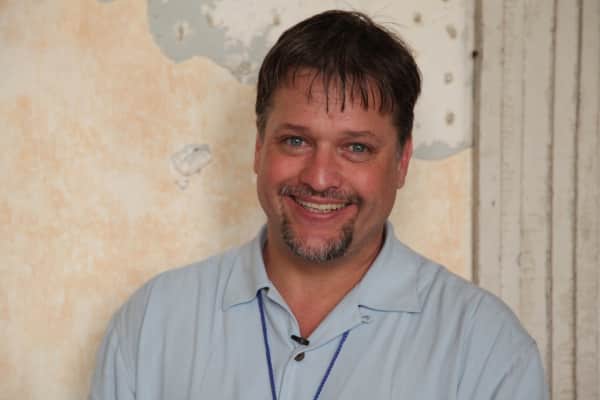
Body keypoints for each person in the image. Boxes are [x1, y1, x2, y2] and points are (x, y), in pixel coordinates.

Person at [89, 10, 548, 400]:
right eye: (295, 140)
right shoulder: (152, 323)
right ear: (259, 148)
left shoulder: (487, 349)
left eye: (356, 148)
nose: (319, 178)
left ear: (402, 162)